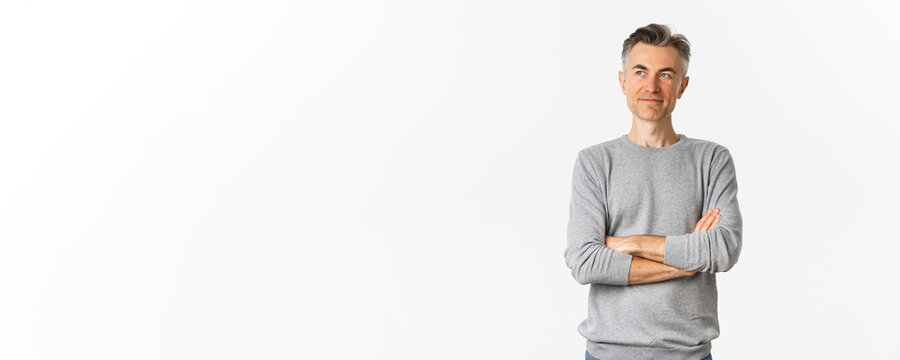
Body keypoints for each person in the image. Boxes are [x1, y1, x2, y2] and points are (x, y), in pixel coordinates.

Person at [564, 23, 743, 360]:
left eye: (665, 74)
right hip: (607, 354)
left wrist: (630, 243)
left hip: (689, 354)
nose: (651, 86)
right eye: (641, 71)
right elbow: (585, 261)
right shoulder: (594, 162)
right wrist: (688, 262)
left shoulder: (711, 160)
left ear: (682, 85)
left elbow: (723, 249)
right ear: (623, 81)